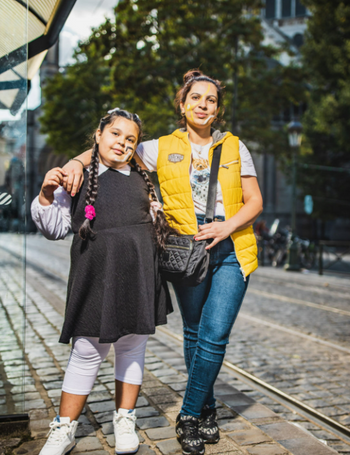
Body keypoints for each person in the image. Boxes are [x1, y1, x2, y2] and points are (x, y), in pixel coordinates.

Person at [64, 70, 263, 455]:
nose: (203, 105)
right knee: (193, 333)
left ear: (217, 110)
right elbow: (112, 149)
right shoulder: (159, 147)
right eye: (196, 98)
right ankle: (206, 408)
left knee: (215, 333)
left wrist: (226, 226)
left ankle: (188, 414)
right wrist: (76, 161)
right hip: (186, 249)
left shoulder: (237, 147)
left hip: (232, 247)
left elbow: (254, 201)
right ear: (183, 104)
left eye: (211, 100)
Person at [31, 109, 174, 455]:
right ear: (98, 135)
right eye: (115, 134)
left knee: (132, 349)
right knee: (86, 352)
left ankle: (125, 419)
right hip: (96, 278)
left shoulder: (144, 179)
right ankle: (64, 428)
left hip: (138, 276)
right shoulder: (79, 177)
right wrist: (47, 194)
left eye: (131, 139)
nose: (122, 143)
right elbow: (53, 229)